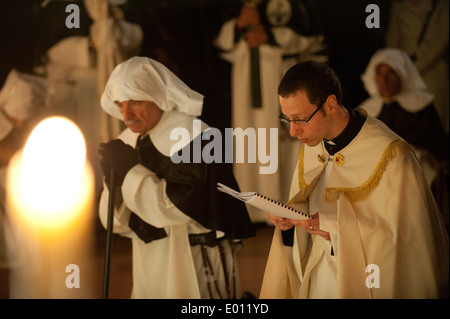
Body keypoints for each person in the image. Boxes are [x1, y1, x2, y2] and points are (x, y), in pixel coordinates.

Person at [259, 61, 448, 298]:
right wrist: (290, 215)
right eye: (287, 119)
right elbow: (310, 207)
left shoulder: (393, 156)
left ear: (330, 105)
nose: (293, 131)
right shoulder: (312, 144)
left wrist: (335, 228)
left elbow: (408, 245)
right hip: (318, 276)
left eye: (300, 119)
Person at [97, 56, 255, 299]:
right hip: (149, 259)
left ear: (158, 96)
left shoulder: (195, 137)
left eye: (135, 102)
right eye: (119, 104)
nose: (126, 114)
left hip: (193, 259)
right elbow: (114, 222)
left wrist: (129, 173)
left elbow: (176, 208)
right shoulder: (128, 141)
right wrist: (114, 183)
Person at [214, 0, 326, 222]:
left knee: (284, 139)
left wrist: (270, 36)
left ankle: (290, 205)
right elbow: (220, 38)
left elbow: (309, 31)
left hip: (282, 76)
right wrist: (240, 25)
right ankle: (254, 209)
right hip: (246, 81)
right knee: (250, 142)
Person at [359, 48, 448, 228]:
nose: (384, 80)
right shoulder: (366, 111)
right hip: (378, 174)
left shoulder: (421, 105)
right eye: (380, 73)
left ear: (401, 74)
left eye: (391, 72)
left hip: (420, 170)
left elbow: (439, 146)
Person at [385, 0, 449, 132]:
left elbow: (442, 38)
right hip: (404, 73)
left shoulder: (441, 4)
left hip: (433, 71)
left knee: (437, 120)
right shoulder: (399, 6)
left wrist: (416, 67)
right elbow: (392, 39)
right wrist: (395, 67)